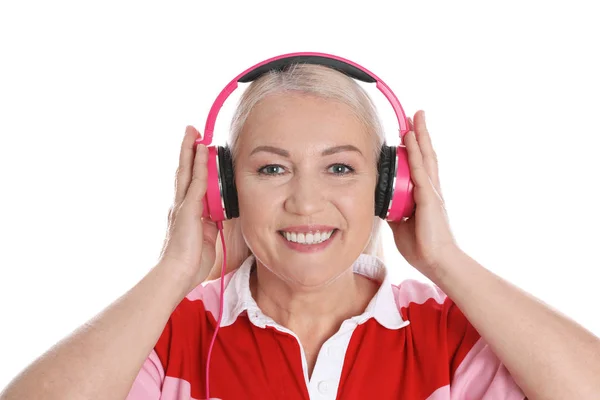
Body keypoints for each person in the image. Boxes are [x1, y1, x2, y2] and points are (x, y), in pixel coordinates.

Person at [1, 60, 599, 400]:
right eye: (271, 168)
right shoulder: (171, 332)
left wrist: (445, 259)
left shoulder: (448, 336)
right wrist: (172, 273)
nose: (306, 201)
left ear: (389, 189)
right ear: (224, 190)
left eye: (340, 167)